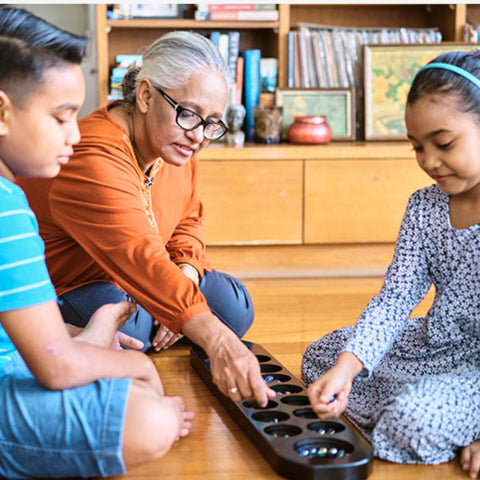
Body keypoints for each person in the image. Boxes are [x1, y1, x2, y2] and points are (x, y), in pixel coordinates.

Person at [17, 30, 275, 407]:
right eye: (189, 114)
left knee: (234, 305)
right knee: (139, 325)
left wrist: (185, 274)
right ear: (146, 95)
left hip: (141, 274)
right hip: (75, 282)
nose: (200, 136)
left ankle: (168, 304)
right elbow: (138, 254)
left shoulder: (176, 143)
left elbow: (188, 220)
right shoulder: (93, 154)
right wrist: (210, 335)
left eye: (212, 123)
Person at [0, 7, 193, 478]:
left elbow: (30, 341)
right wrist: (138, 372)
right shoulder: (7, 208)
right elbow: (56, 369)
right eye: (62, 118)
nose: (74, 135)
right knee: (148, 416)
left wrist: (94, 334)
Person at [302, 50, 480, 478]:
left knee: (411, 419)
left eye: (444, 143)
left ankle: (430, 411)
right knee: (323, 357)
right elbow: (397, 298)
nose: (430, 161)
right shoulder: (423, 207)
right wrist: (347, 368)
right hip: (436, 346)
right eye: (418, 147)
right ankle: (431, 406)